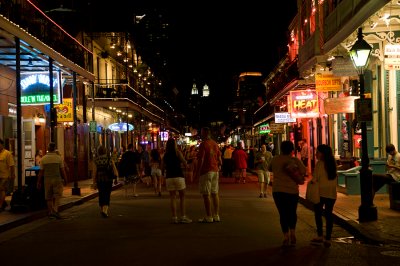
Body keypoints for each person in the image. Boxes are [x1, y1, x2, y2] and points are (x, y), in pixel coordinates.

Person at [267, 140, 306, 247]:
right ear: (292, 149)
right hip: (292, 190)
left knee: (282, 213)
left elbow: (269, 168)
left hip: (278, 190)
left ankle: (286, 236)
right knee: (292, 212)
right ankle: (293, 232)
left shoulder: (275, 159)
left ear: (281, 148)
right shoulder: (294, 160)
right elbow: (303, 171)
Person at [310, 144, 337, 248]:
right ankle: (328, 238)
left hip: (320, 193)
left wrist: (311, 183)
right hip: (331, 193)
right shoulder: (333, 163)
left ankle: (320, 235)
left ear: (322, 153)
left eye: (318, 152)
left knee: (318, 214)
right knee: (329, 215)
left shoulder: (319, 164)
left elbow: (315, 179)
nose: (316, 154)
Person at [161, 138, 192, 224]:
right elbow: (185, 163)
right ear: (175, 144)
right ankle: (183, 217)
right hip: (178, 176)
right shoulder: (177, 152)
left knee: (172, 198)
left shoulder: (165, 155)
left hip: (169, 177)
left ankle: (174, 217)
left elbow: (162, 167)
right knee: (182, 197)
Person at [195, 127, 222, 223]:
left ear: (205, 133)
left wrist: (197, 172)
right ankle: (216, 215)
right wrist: (219, 166)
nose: (201, 134)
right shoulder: (215, 144)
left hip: (206, 171)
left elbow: (201, 159)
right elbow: (219, 158)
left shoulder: (203, 144)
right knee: (215, 193)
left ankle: (209, 216)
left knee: (206, 195)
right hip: (215, 171)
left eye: (201, 132)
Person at [37, 142, 67, 219]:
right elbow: (62, 170)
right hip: (57, 179)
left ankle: (50, 211)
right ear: (54, 149)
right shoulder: (58, 158)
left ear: (48, 148)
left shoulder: (43, 158)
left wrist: (39, 182)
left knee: (48, 196)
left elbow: (41, 172)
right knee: (57, 195)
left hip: (47, 179)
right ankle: (55, 210)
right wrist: (65, 179)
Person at [93, 145, 117, 218]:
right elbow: (114, 168)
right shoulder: (109, 159)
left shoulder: (96, 160)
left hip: (100, 180)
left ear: (98, 152)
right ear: (105, 151)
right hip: (108, 179)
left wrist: (94, 182)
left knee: (101, 194)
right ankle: (105, 210)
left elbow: (94, 172)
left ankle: (102, 209)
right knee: (107, 194)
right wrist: (116, 176)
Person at [0, 138, 15, 211]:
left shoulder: (7, 153)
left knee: (2, 189)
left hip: (4, 176)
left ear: (2, 144)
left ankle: (0, 206)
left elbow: (11, 165)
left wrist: (12, 174)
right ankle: (3, 203)